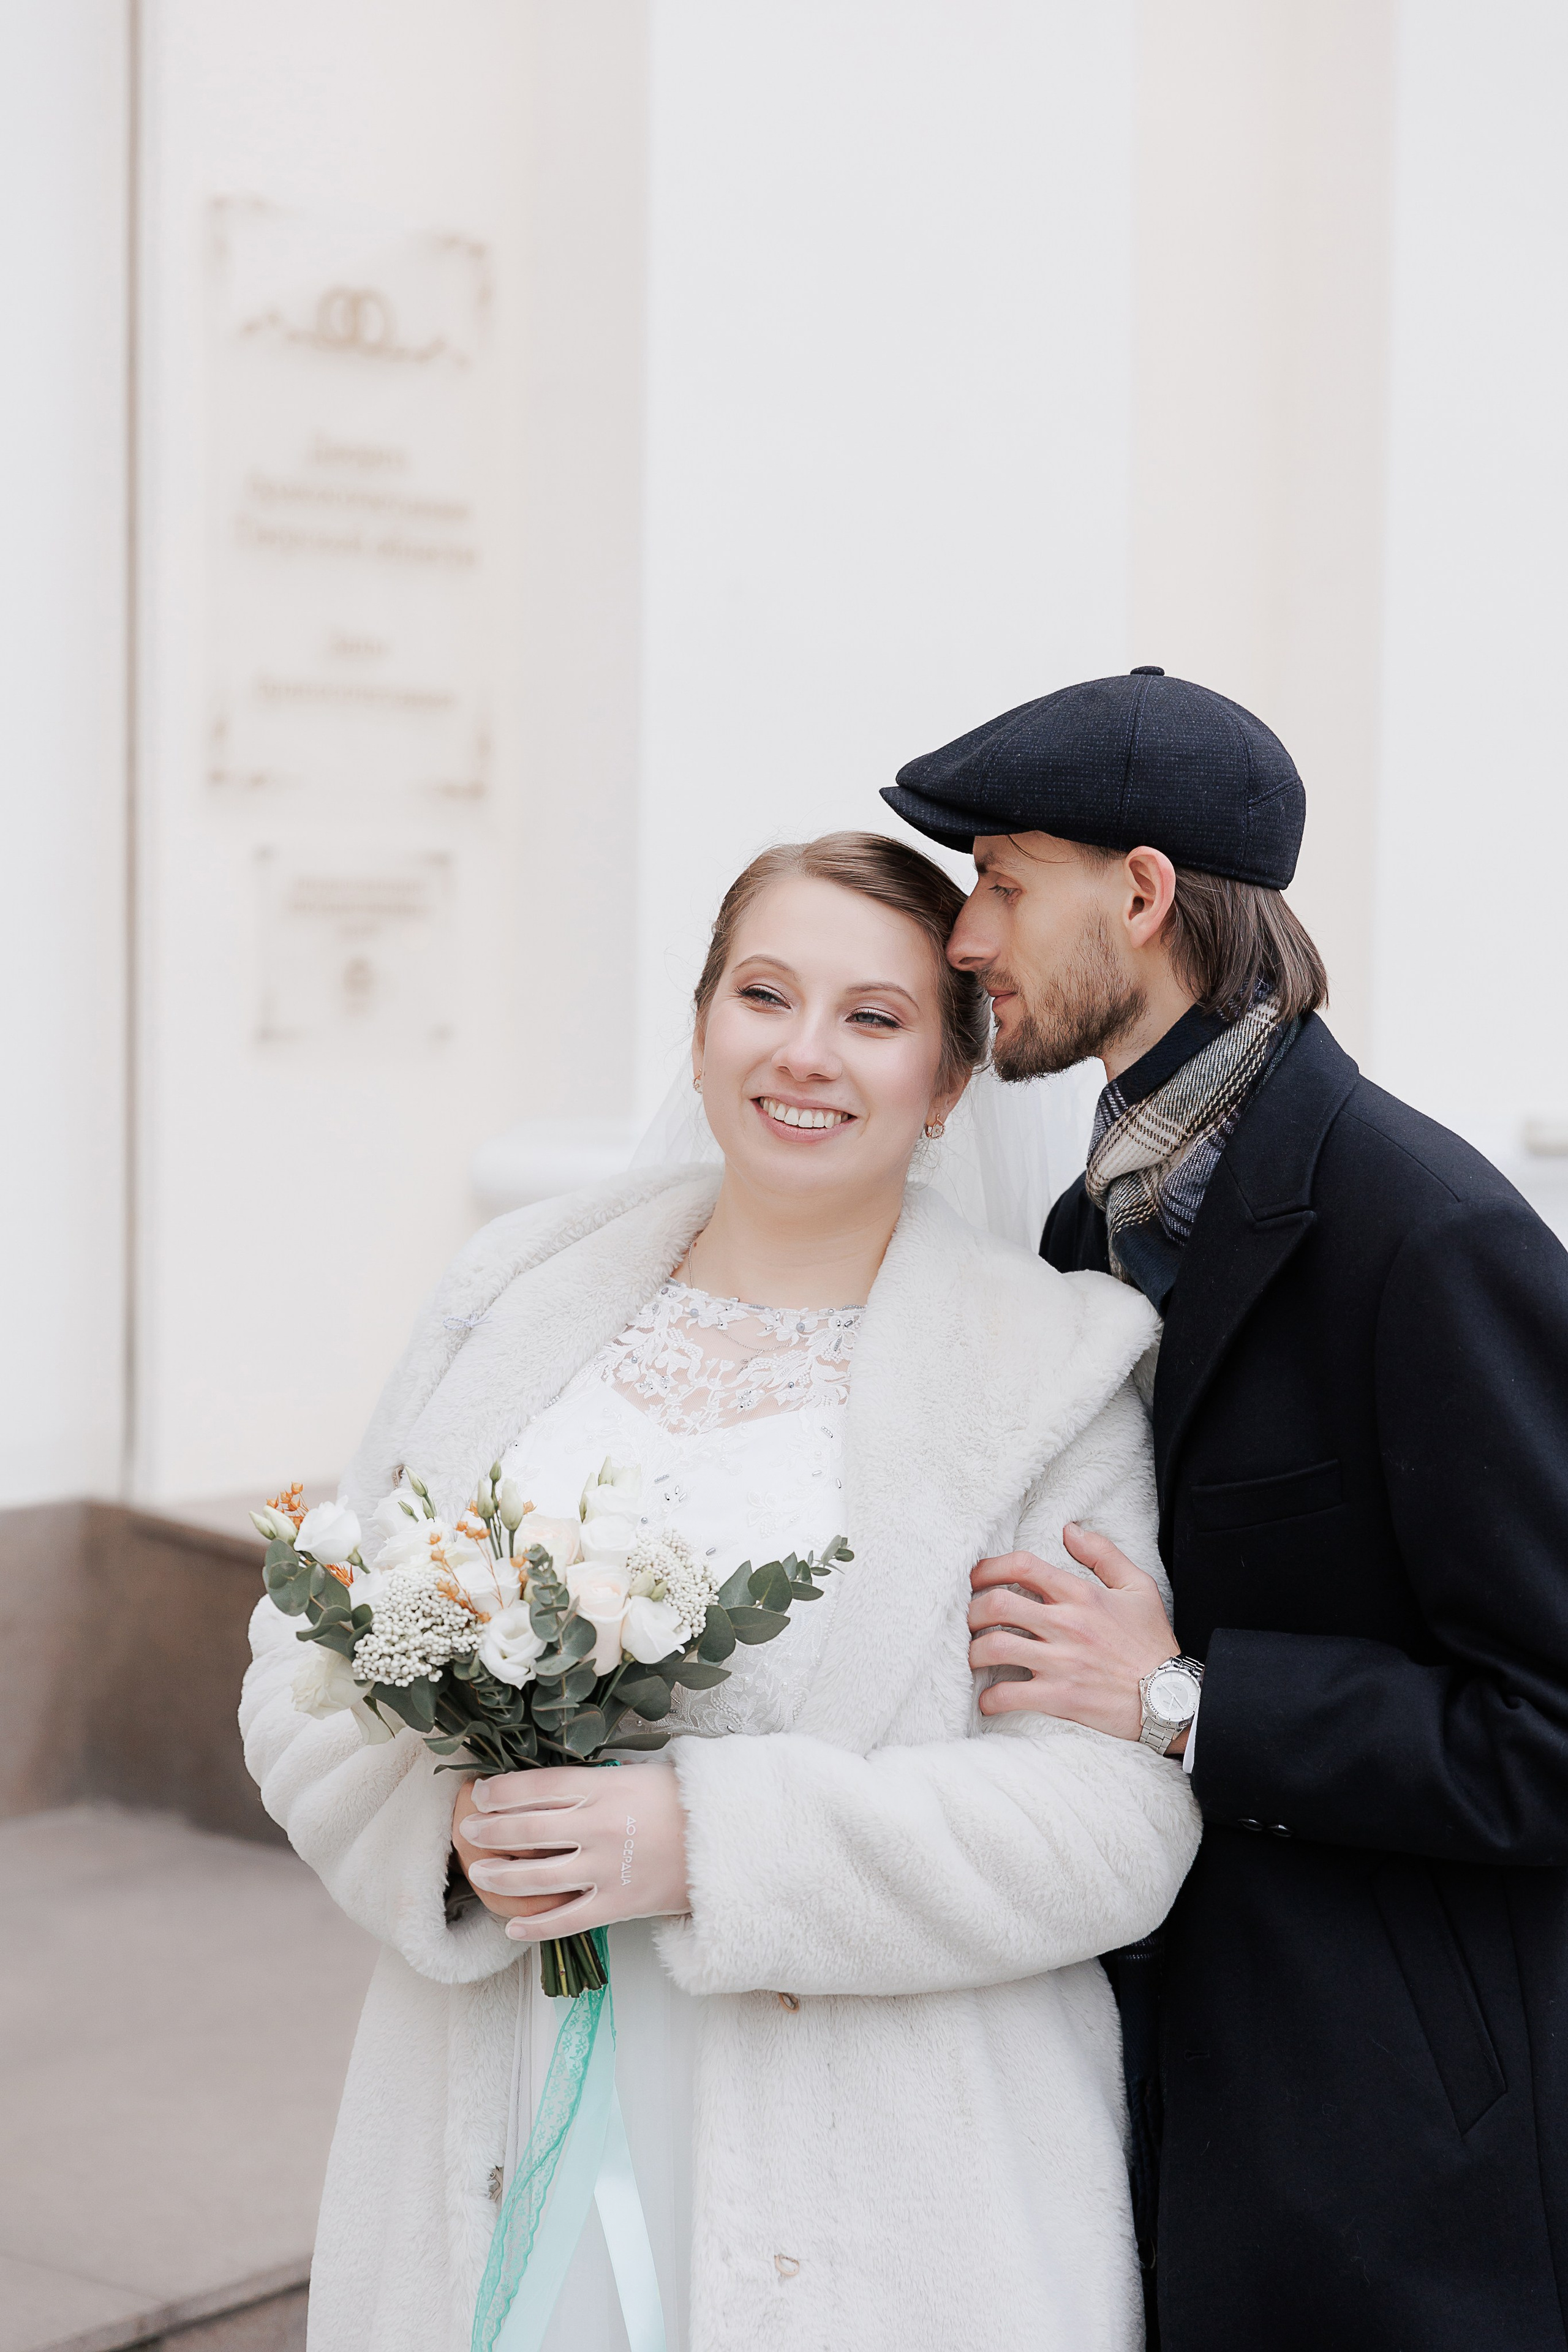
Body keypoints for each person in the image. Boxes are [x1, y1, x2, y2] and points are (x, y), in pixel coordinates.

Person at [239, 831, 1200, 2352]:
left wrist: (710, 1843)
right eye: (763, 996)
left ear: (950, 1079)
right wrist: (448, 1831)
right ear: (697, 1029)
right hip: (485, 2111)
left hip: (886, 2181)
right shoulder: (511, 1294)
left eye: (873, 1018)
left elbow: (1108, 1825)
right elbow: (307, 1641)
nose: (804, 1056)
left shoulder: (1047, 1372)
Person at [883, 666, 1568, 2351]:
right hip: (1129, 2100)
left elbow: (1549, 1735)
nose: (967, 939)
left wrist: (1188, 1696)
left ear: (1142, 893)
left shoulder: (1429, 1237)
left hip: (1392, 2156)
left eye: (1002, 882)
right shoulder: (1077, 1234)